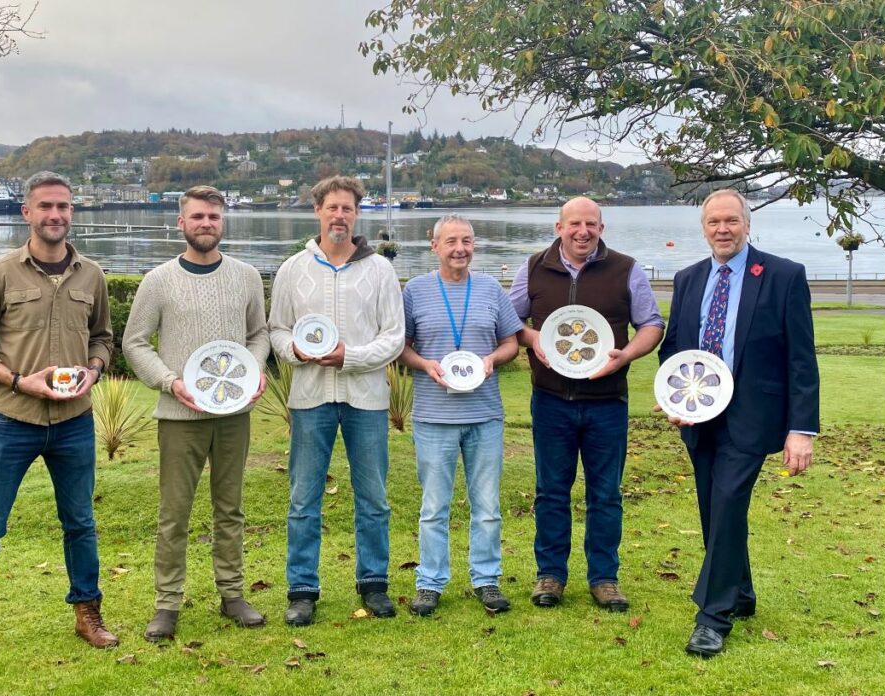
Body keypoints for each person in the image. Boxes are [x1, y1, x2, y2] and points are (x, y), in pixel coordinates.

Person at [0, 171, 115, 668]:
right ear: (27, 213)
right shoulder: (1, 274)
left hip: (74, 422)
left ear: (71, 212)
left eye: (63, 206)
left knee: (80, 523)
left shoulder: (93, 275)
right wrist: (20, 380)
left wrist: (95, 369)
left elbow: (103, 338)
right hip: (11, 421)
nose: (55, 215)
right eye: (45, 206)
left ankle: (88, 614)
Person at [658, 189, 819, 658]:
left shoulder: (783, 276)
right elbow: (675, 348)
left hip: (752, 416)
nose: (722, 229)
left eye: (731, 220)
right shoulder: (688, 279)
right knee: (714, 508)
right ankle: (741, 592)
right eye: (713, 222)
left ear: (746, 223)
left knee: (727, 501)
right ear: (703, 228)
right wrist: (675, 396)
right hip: (698, 416)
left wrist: (801, 428)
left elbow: (801, 358)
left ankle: (713, 615)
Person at [122, 185, 270, 638]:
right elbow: (134, 342)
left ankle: (233, 595)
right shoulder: (159, 280)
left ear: (222, 223)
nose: (207, 224)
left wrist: (254, 370)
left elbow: (258, 334)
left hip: (232, 416)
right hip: (179, 416)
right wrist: (171, 383)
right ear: (181, 223)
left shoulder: (245, 276)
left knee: (231, 510)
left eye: (214, 217)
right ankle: (167, 604)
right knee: (175, 513)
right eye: (198, 217)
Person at [511, 196, 664, 613]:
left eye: (591, 224)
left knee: (606, 494)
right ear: (558, 226)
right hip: (551, 401)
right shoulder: (533, 268)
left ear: (602, 227)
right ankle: (551, 575)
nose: (583, 231)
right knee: (551, 492)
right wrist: (534, 340)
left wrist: (627, 354)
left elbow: (651, 324)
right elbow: (510, 322)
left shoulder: (626, 268)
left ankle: (604, 578)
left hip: (607, 402)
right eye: (574, 223)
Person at [268, 175, 405, 626]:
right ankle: (302, 589)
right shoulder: (293, 269)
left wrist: (351, 357)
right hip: (310, 398)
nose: (339, 216)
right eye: (332, 208)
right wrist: (296, 352)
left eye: (347, 208)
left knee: (373, 497)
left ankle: (374, 584)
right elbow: (277, 330)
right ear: (318, 212)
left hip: (366, 399)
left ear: (357, 213)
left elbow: (394, 338)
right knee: (303, 498)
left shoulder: (380, 270)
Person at [399, 214, 522, 616]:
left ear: (474, 245)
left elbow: (511, 344)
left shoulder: (490, 289)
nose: (460, 249)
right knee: (434, 506)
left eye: (466, 241)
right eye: (450, 241)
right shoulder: (415, 291)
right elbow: (401, 347)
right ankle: (430, 582)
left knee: (487, 505)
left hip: (485, 414)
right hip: (433, 417)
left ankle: (486, 579)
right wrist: (425, 365)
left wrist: (491, 360)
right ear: (433, 246)